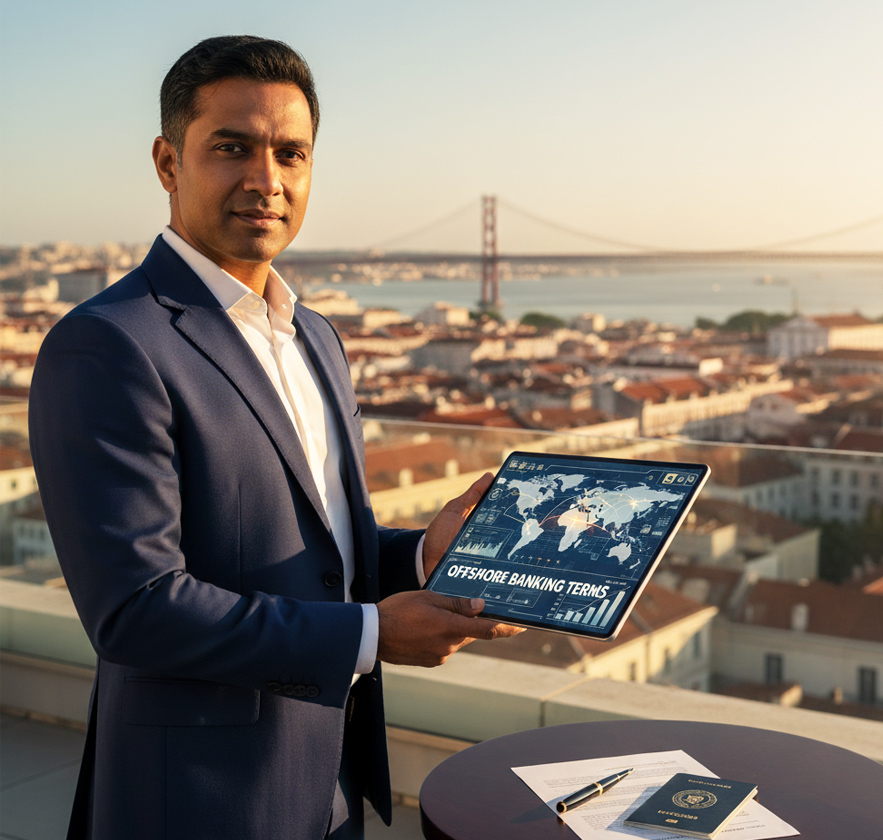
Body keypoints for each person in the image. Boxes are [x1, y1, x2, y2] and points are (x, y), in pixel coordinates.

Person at [28, 35, 520, 840]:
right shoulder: (108, 343)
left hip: (330, 787)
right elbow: (136, 609)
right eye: (232, 148)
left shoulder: (316, 337)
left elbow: (320, 556)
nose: (267, 180)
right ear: (166, 162)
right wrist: (373, 634)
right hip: (197, 802)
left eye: (291, 154)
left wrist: (424, 556)